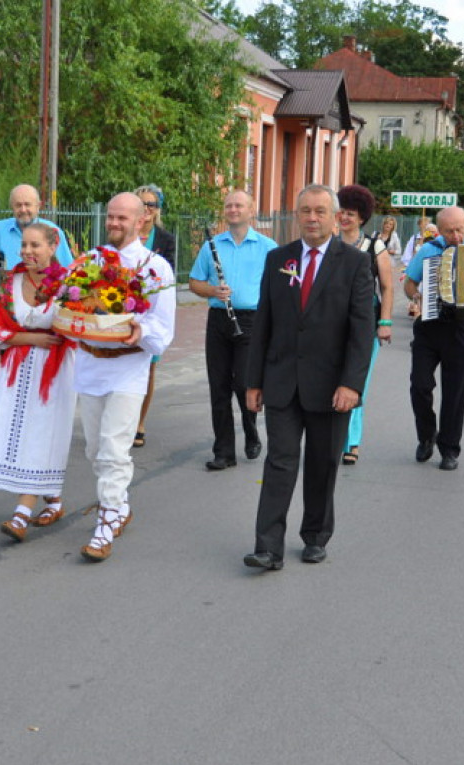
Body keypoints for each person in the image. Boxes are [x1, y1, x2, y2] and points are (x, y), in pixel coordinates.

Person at [242, 184, 375, 570]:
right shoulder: (278, 259)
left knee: (322, 463)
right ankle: (268, 547)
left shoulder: (353, 262)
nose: (312, 218)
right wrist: (254, 381)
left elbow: (361, 330)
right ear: (296, 215)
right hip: (282, 380)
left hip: (332, 387)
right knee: (279, 461)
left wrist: (352, 384)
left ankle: (315, 535)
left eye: (320, 211)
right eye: (305, 211)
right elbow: (263, 321)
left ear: (335, 217)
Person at [0, 223, 77, 541]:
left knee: (41, 433)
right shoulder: (11, 281)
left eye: (35, 245)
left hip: (55, 372)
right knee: (18, 430)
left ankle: (21, 513)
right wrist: (29, 337)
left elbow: (79, 325)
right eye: (24, 245)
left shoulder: (71, 283)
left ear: (53, 247)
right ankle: (53, 499)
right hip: (17, 368)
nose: (27, 251)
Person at [74, 192, 176, 562]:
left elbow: (163, 329)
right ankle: (120, 506)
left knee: (115, 449)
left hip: (128, 370)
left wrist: (138, 329)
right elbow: (70, 306)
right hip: (89, 367)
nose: (115, 223)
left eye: (123, 218)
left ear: (141, 221)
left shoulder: (155, 268)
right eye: (111, 217)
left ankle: (105, 524)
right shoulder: (89, 261)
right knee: (94, 450)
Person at [403, 206, 464, 471]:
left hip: (463, 325)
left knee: (456, 391)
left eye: (460, 229)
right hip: (430, 323)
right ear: (440, 229)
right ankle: (426, 436)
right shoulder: (429, 250)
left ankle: (449, 448)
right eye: (449, 231)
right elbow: (409, 284)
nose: (456, 236)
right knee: (419, 385)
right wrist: (417, 298)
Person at [188, 190, 276, 470]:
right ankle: (224, 452)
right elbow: (194, 283)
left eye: (239, 205)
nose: (233, 209)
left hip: (253, 320)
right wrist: (213, 290)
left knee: (243, 384)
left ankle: (250, 431)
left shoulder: (268, 247)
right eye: (228, 205)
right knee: (219, 386)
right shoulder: (211, 245)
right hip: (219, 319)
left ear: (252, 210)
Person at [335, 184, 393, 465]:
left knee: (358, 383)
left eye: (351, 214)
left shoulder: (374, 245)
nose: (344, 218)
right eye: (341, 212)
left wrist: (385, 322)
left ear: (361, 218)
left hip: (365, 322)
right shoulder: (329, 243)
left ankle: (352, 442)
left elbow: (387, 286)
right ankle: (332, 437)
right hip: (331, 325)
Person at [132, 184, 177, 448]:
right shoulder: (125, 233)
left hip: (151, 310)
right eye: (142, 204)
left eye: (152, 204)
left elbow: (166, 275)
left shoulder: (165, 239)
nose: (147, 209)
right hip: (123, 308)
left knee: (148, 366)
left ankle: (139, 421)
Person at [0, 183, 74, 269]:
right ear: (12, 207)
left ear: (38, 206)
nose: (23, 210)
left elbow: (67, 269)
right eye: (18, 205)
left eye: (27, 204)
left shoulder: (53, 232)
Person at [401, 217, 436, 318]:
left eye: (434, 232)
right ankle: (418, 310)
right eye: (430, 231)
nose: (432, 233)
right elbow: (409, 254)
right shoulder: (416, 239)